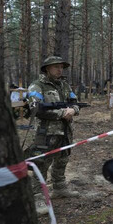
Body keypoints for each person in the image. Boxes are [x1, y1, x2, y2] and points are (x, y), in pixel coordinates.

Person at [27, 56, 80, 215]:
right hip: (45, 133)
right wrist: (61, 113)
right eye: (56, 67)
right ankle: (37, 197)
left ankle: (59, 187)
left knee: (63, 159)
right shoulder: (37, 86)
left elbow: (75, 102)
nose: (60, 69)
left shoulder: (64, 85)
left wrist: (73, 110)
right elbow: (35, 109)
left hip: (65, 131)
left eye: (61, 67)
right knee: (41, 163)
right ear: (47, 69)